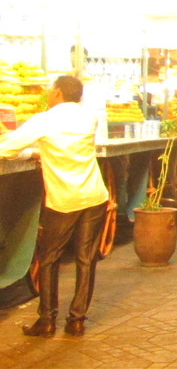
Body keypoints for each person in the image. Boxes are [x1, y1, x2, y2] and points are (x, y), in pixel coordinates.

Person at [0, 76, 109, 337]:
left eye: (50, 90)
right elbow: (67, 147)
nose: (48, 94)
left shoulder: (45, 119)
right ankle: (77, 321)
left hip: (64, 199)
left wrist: (29, 151)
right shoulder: (89, 117)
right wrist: (40, 152)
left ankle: (47, 320)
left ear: (58, 93)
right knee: (86, 260)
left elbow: (6, 149)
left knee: (49, 259)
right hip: (94, 195)